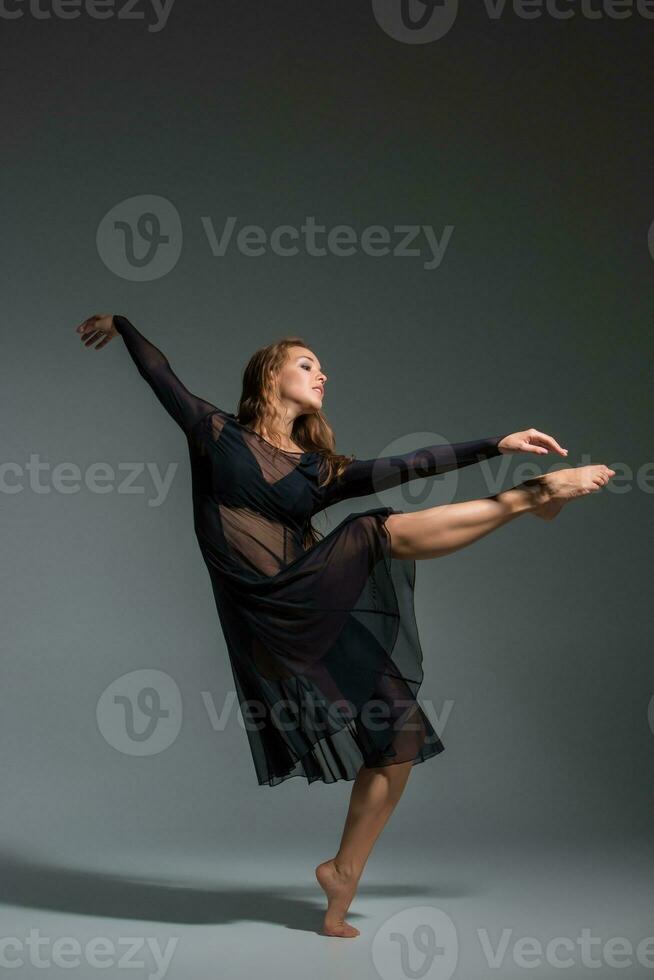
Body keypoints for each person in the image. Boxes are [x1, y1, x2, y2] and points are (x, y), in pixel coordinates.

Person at [75, 313, 615, 938]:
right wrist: (123, 323)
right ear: (268, 374)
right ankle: (528, 498)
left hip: (317, 609)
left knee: (400, 737)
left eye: (321, 366)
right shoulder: (215, 432)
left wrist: (495, 443)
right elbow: (159, 373)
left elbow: (411, 465)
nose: (321, 373)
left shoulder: (318, 471)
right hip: (268, 610)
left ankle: (343, 872)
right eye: (306, 363)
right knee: (367, 530)